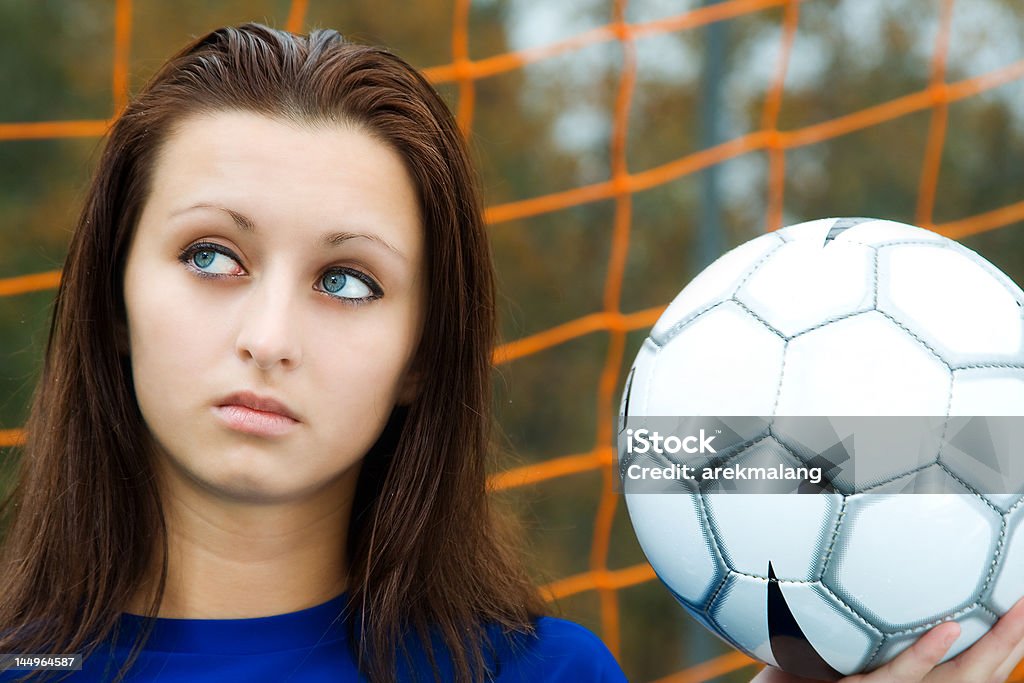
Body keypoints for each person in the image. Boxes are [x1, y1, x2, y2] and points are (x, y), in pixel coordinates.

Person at [0, 21, 1022, 683]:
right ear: (115, 298)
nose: (267, 338)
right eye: (212, 255)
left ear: (419, 354)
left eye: (346, 280)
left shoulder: (541, 675)